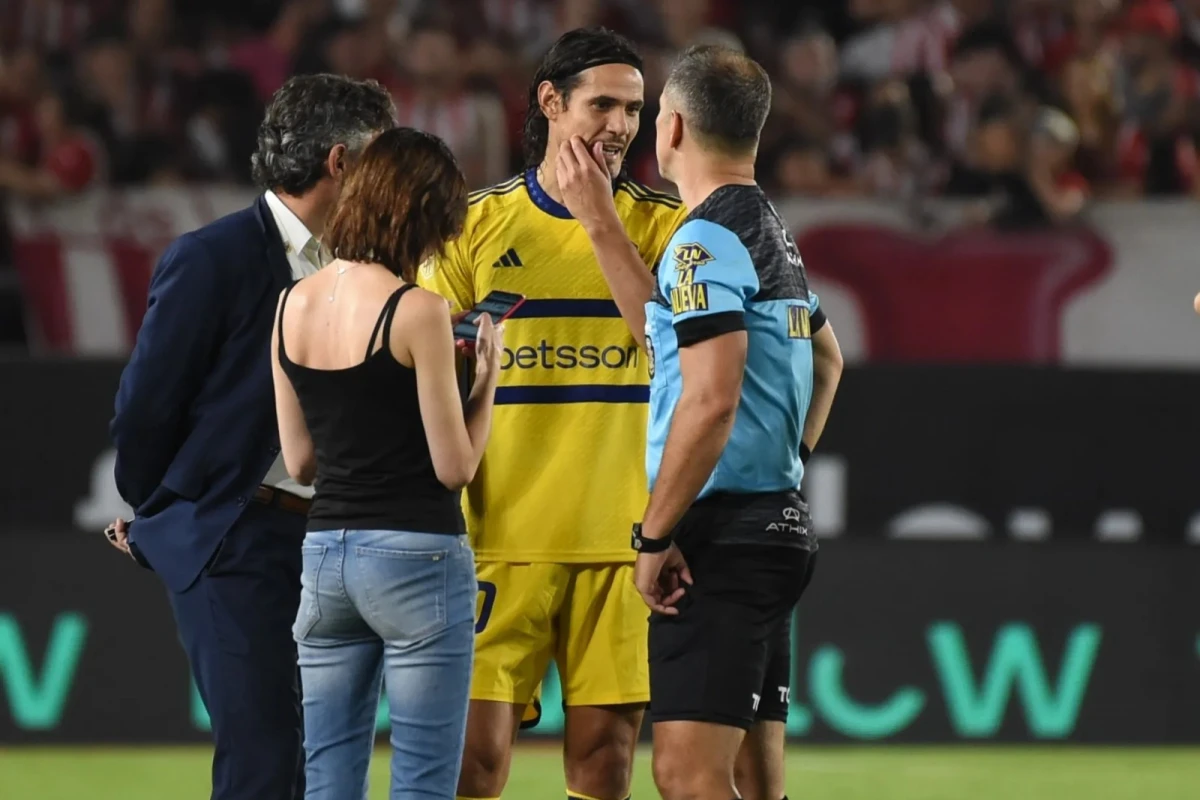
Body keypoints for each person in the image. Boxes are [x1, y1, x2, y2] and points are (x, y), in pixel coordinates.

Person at [557, 45, 844, 800]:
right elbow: (828, 360)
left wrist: (655, 535)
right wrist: (781, 469)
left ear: (671, 128)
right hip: (773, 528)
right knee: (756, 780)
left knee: (686, 774)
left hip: (722, 540)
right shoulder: (766, 229)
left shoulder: (702, 239)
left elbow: (709, 398)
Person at [416, 26, 689, 800]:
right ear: (549, 102)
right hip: (497, 538)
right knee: (474, 765)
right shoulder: (471, 223)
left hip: (620, 541)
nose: (620, 126)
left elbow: (669, 350)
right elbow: (425, 371)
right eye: (602, 104)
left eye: (634, 109)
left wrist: (600, 220)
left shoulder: (663, 227)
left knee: (603, 769)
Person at [106, 75, 396, 800]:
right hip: (240, 539)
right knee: (265, 756)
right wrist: (181, 517)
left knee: (321, 766)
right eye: (382, 159)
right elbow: (143, 412)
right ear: (341, 162)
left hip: (333, 542)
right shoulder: (215, 256)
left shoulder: (363, 267)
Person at [272, 126, 501, 799]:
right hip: (417, 557)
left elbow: (300, 461)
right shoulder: (419, 311)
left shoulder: (290, 304)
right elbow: (454, 467)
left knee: (329, 781)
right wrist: (486, 383)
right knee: (424, 783)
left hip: (324, 559)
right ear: (418, 215)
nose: (438, 245)